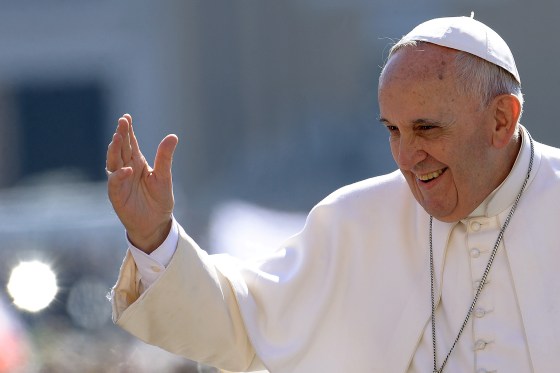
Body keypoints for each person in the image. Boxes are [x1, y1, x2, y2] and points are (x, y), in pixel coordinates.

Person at [107, 15, 560, 373]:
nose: (408, 156)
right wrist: (154, 236)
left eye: (427, 129)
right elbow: (243, 323)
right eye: (394, 131)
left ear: (501, 120)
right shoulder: (354, 221)